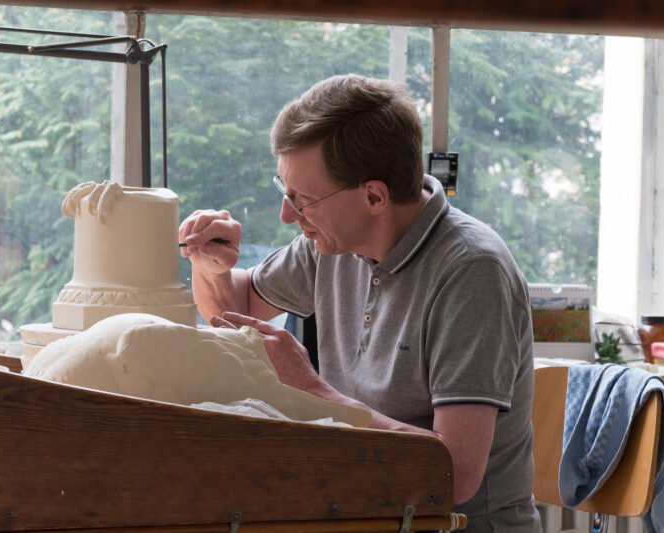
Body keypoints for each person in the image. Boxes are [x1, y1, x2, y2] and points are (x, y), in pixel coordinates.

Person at [179, 74, 540, 532]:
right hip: (364, 509)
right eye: (283, 191)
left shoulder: (472, 272)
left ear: (374, 196)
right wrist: (210, 264)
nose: (288, 215)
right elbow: (238, 310)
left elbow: (453, 473)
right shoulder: (333, 242)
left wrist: (313, 390)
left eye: (302, 199)